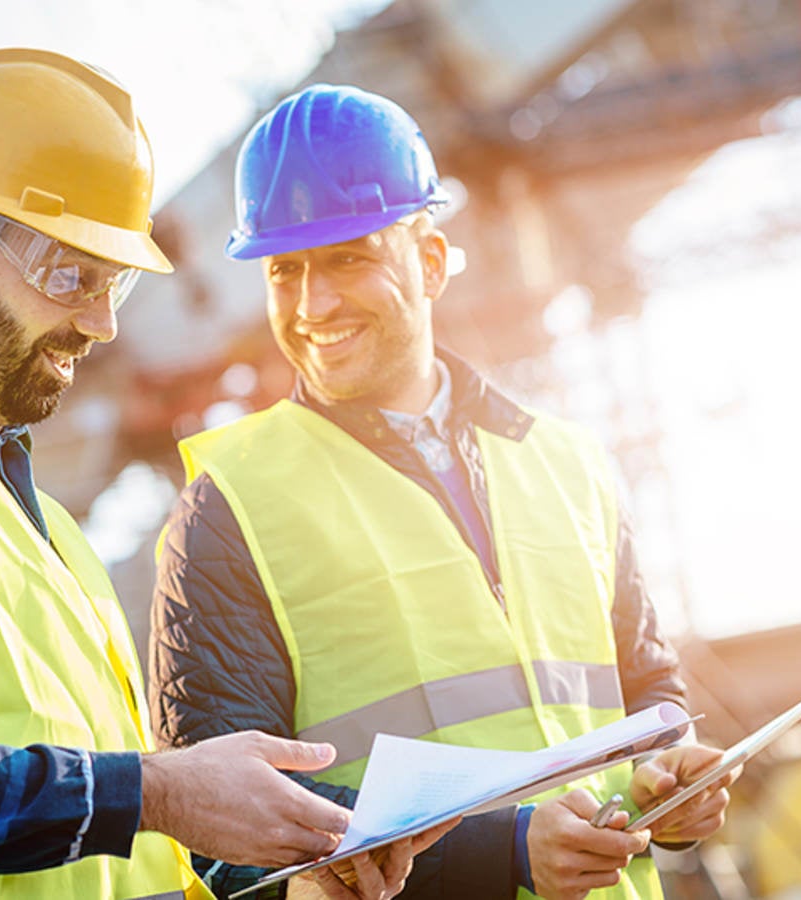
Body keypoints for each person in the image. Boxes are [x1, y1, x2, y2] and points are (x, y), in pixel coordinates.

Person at [0, 52, 451, 900]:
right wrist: (163, 790)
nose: (98, 324)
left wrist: (294, 883)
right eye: (69, 276)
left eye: (115, 285)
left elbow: (103, 860)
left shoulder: (46, 533)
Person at [148, 84, 738, 899]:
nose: (313, 305)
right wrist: (503, 851)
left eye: (348, 258)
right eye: (286, 271)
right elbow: (227, 830)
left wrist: (669, 779)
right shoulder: (230, 507)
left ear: (429, 261)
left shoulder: (569, 462)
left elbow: (646, 690)